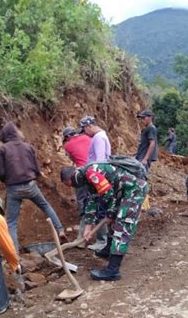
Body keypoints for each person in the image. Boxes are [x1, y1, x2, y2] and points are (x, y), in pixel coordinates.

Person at [60, 162, 147, 281]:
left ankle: (113, 270)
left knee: (122, 225)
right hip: (120, 192)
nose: (71, 187)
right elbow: (92, 200)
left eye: (69, 184)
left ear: (72, 177)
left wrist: (110, 214)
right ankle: (108, 250)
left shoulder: (91, 173)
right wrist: (88, 227)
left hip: (134, 190)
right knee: (113, 221)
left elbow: (108, 195)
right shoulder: (86, 178)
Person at [0, 121, 66, 251]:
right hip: (31, 185)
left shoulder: (3, 149)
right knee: (46, 206)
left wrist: (6, 180)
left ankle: (14, 253)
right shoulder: (28, 147)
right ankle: (60, 230)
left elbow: (1, 172)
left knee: (11, 222)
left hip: (14, 188)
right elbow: (36, 167)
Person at [78, 116, 111, 250]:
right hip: (98, 178)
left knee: (98, 207)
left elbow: (100, 161)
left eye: (84, 130)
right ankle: (99, 239)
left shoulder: (98, 138)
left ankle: (102, 241)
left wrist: (95, 181)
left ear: (89, 126)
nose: (85, 133)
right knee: (97, 207)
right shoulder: (101, 136)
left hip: (97, 178)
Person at [62, 126, 91, 241]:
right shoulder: (87, 138)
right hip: (94, 169)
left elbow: (73, 158)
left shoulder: (68, 145)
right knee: (93, 198)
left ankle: (83, 220)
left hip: (81, 173)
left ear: (68, 136)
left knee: (81, 199)